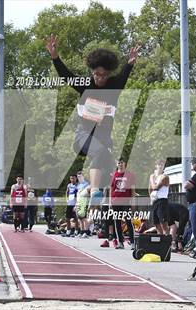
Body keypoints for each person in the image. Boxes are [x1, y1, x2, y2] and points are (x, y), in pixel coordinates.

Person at [46, 35, 141, 206]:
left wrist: (130, 63)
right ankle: (95, 192)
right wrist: (55, 57)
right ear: (92, 72)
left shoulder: (114, 86)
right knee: (99, 152)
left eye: (103, 75)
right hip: (83, 136)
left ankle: (87, 190)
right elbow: (66, 76)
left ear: (108, 74)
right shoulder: (85, 84)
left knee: (108, 165)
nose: (100, 78)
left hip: (103, 138)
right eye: (96, 74)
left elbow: (125, 74)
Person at [110, 158, 136, 249]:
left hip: (126, 201)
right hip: (115, 201)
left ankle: (133, 242)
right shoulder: (114, 175)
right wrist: (110, 202)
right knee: (117, 222)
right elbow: (111, 188)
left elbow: (132, 189)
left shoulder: (130, 175)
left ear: (125, 164)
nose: (120, 164)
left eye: (122, 162)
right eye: (118, 163)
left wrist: (133, 201)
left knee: (128, 221)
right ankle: (120, 242)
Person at [149, 160, 170, 235]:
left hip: (162, 201)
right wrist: (151, 199)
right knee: (156, 223)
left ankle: (168, 242)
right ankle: (160, 241)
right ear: (156, 166)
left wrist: (152, 178)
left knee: (163, 223)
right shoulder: (153, 176)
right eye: (159, 164)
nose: (160, 166)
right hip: (155, 201)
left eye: (162, 165)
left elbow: (155, 187)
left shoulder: (165, 176)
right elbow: (150, 189)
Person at [75, 171, 91, 238]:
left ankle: (86, 232)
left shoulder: (86, 184)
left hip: (84, 203)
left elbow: (88, 194)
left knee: (84, 218)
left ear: (83, 176)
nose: (79, 178)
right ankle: (81, 232)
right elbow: (78, 195)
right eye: (78, 177)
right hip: (79, 203)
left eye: (80, 176)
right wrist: (76, 204)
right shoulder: (78, 185)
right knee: (80, 219)